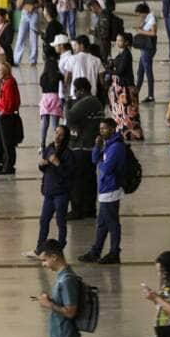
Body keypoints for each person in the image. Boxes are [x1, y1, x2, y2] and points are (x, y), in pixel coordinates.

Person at [78, 117, 125, 264]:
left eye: (104, 129)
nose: (101, 131)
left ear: (112, 129)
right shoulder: (108, 144)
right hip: (105, 189)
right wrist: (97, 147)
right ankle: (96, 251)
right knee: (102, 224)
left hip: (111, 190)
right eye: (100, 129)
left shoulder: (116, 147)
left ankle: (114, 253)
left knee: (112, 223)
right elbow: (95, 161)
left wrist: (100, 161)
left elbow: (105, 168)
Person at [30, 126, 76, 256]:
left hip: (61, 193)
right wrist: (41, 164)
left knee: (61, 221)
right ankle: (40, 248)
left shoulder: (68, 154)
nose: (57, 136)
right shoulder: (49, 149)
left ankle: (60, 247)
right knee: (44, 220)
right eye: (56, 133)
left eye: (60, 135)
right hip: (49, 192)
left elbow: (68, 174)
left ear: (65, 137)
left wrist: (57, 163)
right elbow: (45, 170)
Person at [66, 77, 105, 219]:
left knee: (76, 180)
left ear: (82, 90)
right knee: (89, 180)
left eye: (75, 90)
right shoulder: (96, 102)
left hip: (81, 148)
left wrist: (67, 103)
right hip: (92, 148)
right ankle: (90, 209)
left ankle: (77, 209)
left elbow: (69, 117)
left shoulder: (87, 102)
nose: (74, 93)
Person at [107, 32, 145, 140]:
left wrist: (108, 70)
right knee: (122, 112)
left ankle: (132, 133)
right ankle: (123, 133)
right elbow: (115, 63)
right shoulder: (121, 54)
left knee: (129, 112)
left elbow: (120, 71)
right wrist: (111, 63)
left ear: (126, 42)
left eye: (120, 40)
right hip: (121, 89)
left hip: (126, 89)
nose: (118, 42)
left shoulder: (127, 54)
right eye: (117, 40)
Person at [0, 63, 21, 174]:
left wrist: (3, 112)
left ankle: (8, 165)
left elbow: (9, 103)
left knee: (7, 143)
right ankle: (1, 163)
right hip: (2, 114)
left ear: (6, 72)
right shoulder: (5, 82)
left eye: (0, 71)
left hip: (6, 116)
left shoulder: (9, 83)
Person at [66, 36, 106, 107]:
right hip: (91, 95)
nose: (74, 48)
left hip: (75, 95)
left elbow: (67, 79)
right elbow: (102, 82)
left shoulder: (72, 59)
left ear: (81, 46)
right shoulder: (97, 60)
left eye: (76, 45)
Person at [40, 48, 65, 148]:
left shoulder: (43, 76)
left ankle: (42, 143)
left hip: (45, 99)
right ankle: (57, 143)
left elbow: (41, 86)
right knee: (55, 125)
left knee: (44, 123)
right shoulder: (58, 75)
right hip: (55, 98)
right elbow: (64, 83)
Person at [134, 4, 157, 103]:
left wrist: (140, 31)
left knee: (148, 72)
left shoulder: (152, 18)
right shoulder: (148, 18)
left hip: (148, 49)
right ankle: (136, 92)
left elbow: (153, 33)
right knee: (140, 72)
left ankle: (150, 96)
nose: (140, 16)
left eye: (140, 14)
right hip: (144, 49)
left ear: (144, 12)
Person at [14, 0, 42, 66]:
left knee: (34, 38)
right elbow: (18, 6)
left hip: (34, 13)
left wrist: (34, 6)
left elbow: (41, 3)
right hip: (24, 13)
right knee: (20, 37)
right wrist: (25, 7)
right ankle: (16, 60)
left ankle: (33, 60)